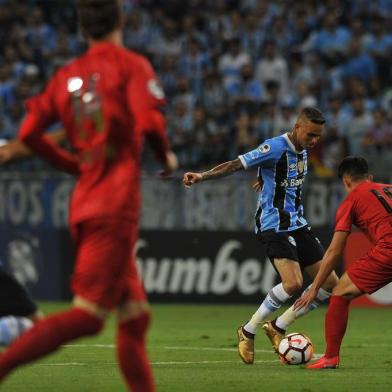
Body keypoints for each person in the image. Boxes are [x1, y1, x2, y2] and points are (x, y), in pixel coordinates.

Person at [0, 1, 177, 391]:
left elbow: (28, 134)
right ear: (120, 21)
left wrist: (70, 163)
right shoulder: (132, 65)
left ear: (83, 31)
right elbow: (149, 120)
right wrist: (166, 154)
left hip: (85, 200)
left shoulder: (67, 75)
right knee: (90, 317)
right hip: (115, 207)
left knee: (135, 318)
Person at [183, 107, 338, 364]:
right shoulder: (274, 147)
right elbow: (236, 164)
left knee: (331, 283)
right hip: (274, 224)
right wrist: (202, 176)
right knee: (292, 284)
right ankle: (248, 329)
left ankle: (277, 326)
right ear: (297, 127)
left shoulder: (303, 151)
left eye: (318, 136)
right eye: (311, 135)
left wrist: (266, 179)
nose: (314, 141)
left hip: (298, 223)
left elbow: (281, 176)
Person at [294, 156, 392, 369]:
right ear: (370, 177)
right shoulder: (388, 187)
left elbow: (334, 250)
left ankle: (330, 358)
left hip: (389, 251)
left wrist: (315, 288)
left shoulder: (351, 200)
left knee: (340, 291)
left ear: (346, 181)